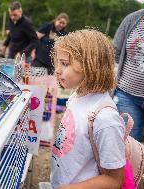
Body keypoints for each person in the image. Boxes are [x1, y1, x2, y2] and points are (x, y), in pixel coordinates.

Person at [52, 30, 125, 189]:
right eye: (58, 62)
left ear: (90, 65)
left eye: (64, 63)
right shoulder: (76, 96)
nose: (57, 70)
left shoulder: (105, 119)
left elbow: (114, 180)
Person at [113, 0, 144, 150]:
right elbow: (115, 53)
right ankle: (128, 175)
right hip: (128, 97)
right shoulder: (132, 20)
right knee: (127, 146)